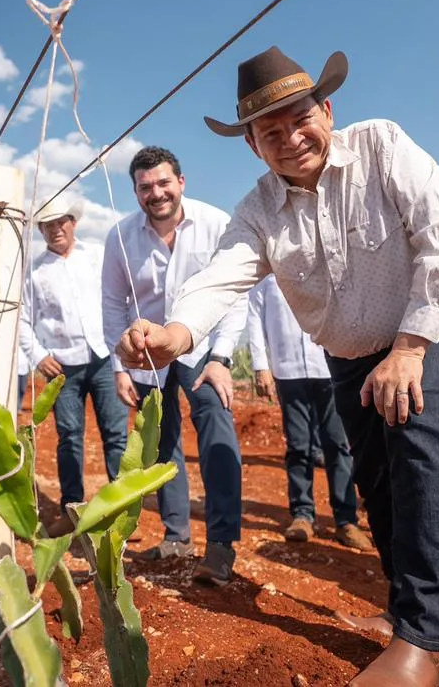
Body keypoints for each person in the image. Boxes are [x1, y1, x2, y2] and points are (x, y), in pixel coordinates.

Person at [115, 46, 439, 687]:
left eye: (300, 119)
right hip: (348, 352)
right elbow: (221, 276)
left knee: (417, 439)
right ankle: (406, 621)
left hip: (428, 324)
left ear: (327, 111)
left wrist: (411, 350)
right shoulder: (257, 209)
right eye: (270, 132)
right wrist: (172, 335)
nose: (290, 138)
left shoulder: (382, 146)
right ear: (254, 145)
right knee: (375, 474)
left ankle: (428, 641)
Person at [100, 145, 248, 586]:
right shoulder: (120, 236)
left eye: (164, 183)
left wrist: (222, 358)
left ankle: (221, 545)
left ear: (181, 182)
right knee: (160, 445)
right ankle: (175, 534)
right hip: (147, 355)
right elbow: (113, 302)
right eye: (145, 187)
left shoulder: (217, 223)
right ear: (135, 192)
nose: (156, 193)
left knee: (216, 431)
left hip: (202, 350)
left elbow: (235, 294)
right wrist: (120, 365)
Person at [20, 196, 127, 535]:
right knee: (69, 437)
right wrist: (38, 355)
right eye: (48, 224)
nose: (56, 229)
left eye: (61, 221)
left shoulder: (97, 256)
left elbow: (119, 297)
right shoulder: (34, 271)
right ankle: (72, 509)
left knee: (116, 435)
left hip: (104, 358)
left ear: (73, 222)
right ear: (40, 230)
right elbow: (21, 319)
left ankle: (120, 507)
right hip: (61, 366)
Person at [247, 274, 370, 550]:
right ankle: (302, 515)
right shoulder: (266, 276)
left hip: (330, 367)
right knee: (299, 445)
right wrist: (260, 366)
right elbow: (254, 318)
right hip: (287, 369)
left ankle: (346, 520)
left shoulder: (324, 264)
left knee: (338, 445)